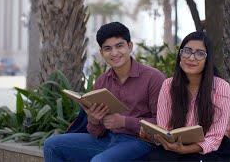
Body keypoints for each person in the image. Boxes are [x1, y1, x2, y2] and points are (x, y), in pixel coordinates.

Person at [43, 22, 165, 162]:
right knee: (52, 145)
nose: (114, 53)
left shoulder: (153, 78)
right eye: (108, 48)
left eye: (119, 46)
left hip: (140, 143)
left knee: (100, 161)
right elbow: (96, 132)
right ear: (102, 53)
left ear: (130, 46)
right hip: (107, 140)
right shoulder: (102, 82)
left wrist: (124, 122)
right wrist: (94, 120)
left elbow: (162, 125)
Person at [142, 31, 230, 161]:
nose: (191, 58)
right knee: (155, 158)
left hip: (209, 149)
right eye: (187, 51)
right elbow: (164, 128)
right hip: (176, 146)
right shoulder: (168, 85)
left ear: (207, 60)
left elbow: (215, 137)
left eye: (200, 54)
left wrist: (184, 150)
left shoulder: (221, 86)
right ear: (180, 55)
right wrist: (153, 136)